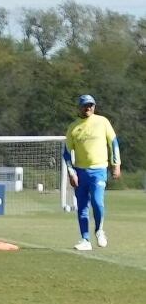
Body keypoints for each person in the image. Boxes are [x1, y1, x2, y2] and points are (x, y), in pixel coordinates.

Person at [64, 94, 122, 251]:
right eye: (85, 105)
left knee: (97, 202)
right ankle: (85, 239)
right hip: (80, 172)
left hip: (99, 170)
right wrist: (71, 173)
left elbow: (113, 142)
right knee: (82, 207)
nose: (88, 107)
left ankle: (99, 230)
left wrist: (116, 164)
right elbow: (67, 153)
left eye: (91, 105)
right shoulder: (73, 127)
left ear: (94, 107)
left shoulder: (103, 122)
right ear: (80, 107)